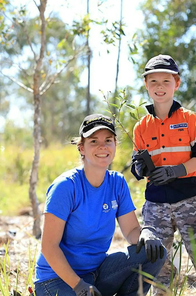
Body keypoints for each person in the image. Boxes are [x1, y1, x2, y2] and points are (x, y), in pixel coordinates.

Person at [34, 114, 166, 296]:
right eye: (94, 141)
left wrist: (146, 233)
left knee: (155, 252)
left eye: (108, 140)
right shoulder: (65, 187)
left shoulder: (117, 183)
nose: (102, 146)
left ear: (115, 145)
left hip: (96, 273)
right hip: (57, 280)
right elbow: (49, 246)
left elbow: (130, 231)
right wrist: (78, 285)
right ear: (82, 148)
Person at [131, 54, 196, 295]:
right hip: (155, 202)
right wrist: (140, 166)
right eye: (154, 82)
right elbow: (137, 167)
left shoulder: (191, 119)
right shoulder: (141, 127)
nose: (160, 87)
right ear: (146, 85)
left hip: (189, 199)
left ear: (176, 83)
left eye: (166, 81)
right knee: (159, 263)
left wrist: (176, 171)